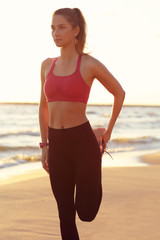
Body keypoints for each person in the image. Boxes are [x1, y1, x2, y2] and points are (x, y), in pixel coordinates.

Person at [39, 7, 125, 240]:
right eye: (53, 28)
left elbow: (119, 93)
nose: (56, 33)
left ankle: (94, 166)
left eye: (62, 27)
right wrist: (45, 145)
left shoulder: (89, 64)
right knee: (65, 214)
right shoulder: (47, 65)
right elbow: (44, 107)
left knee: (86, 213)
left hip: (82, 142)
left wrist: (108, 131)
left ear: (76, 31)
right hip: (57, 143)